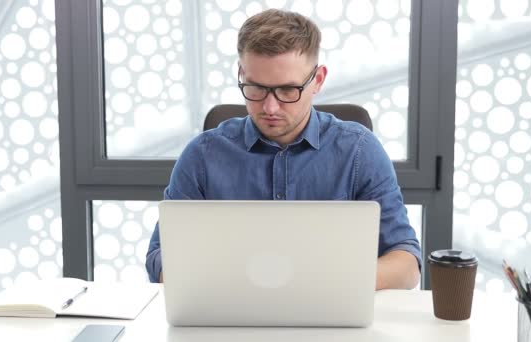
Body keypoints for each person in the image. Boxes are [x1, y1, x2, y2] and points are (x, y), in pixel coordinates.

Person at [146, 9, 421, 289]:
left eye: (288, 90)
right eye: (255, 88)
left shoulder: (360, 151)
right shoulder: (202, 156)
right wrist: (229, 281)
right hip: (228, 318)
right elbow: (159, 257)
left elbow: (407, 263)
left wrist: (321, 282)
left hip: (330, 316)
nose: (270, 107)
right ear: (241, 73)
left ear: (318, 80)